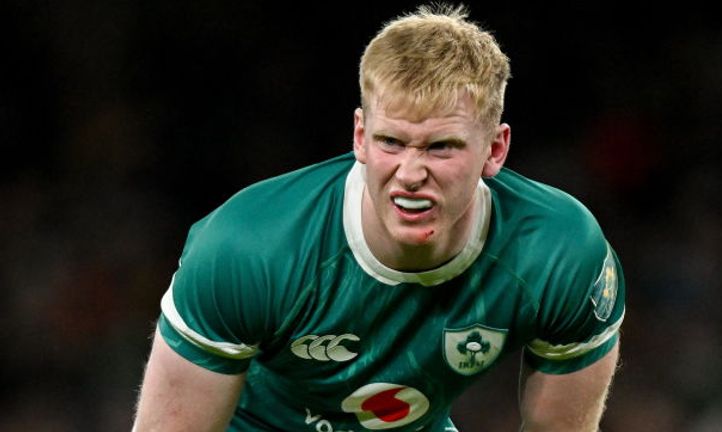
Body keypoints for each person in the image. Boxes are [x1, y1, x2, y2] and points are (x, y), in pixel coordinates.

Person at [133, 3, 625, 431]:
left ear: (495, 149)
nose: (411, 174)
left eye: (441, 147)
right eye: (391, 141)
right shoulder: (247, 247)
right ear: (360, 136)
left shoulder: (561, 256)